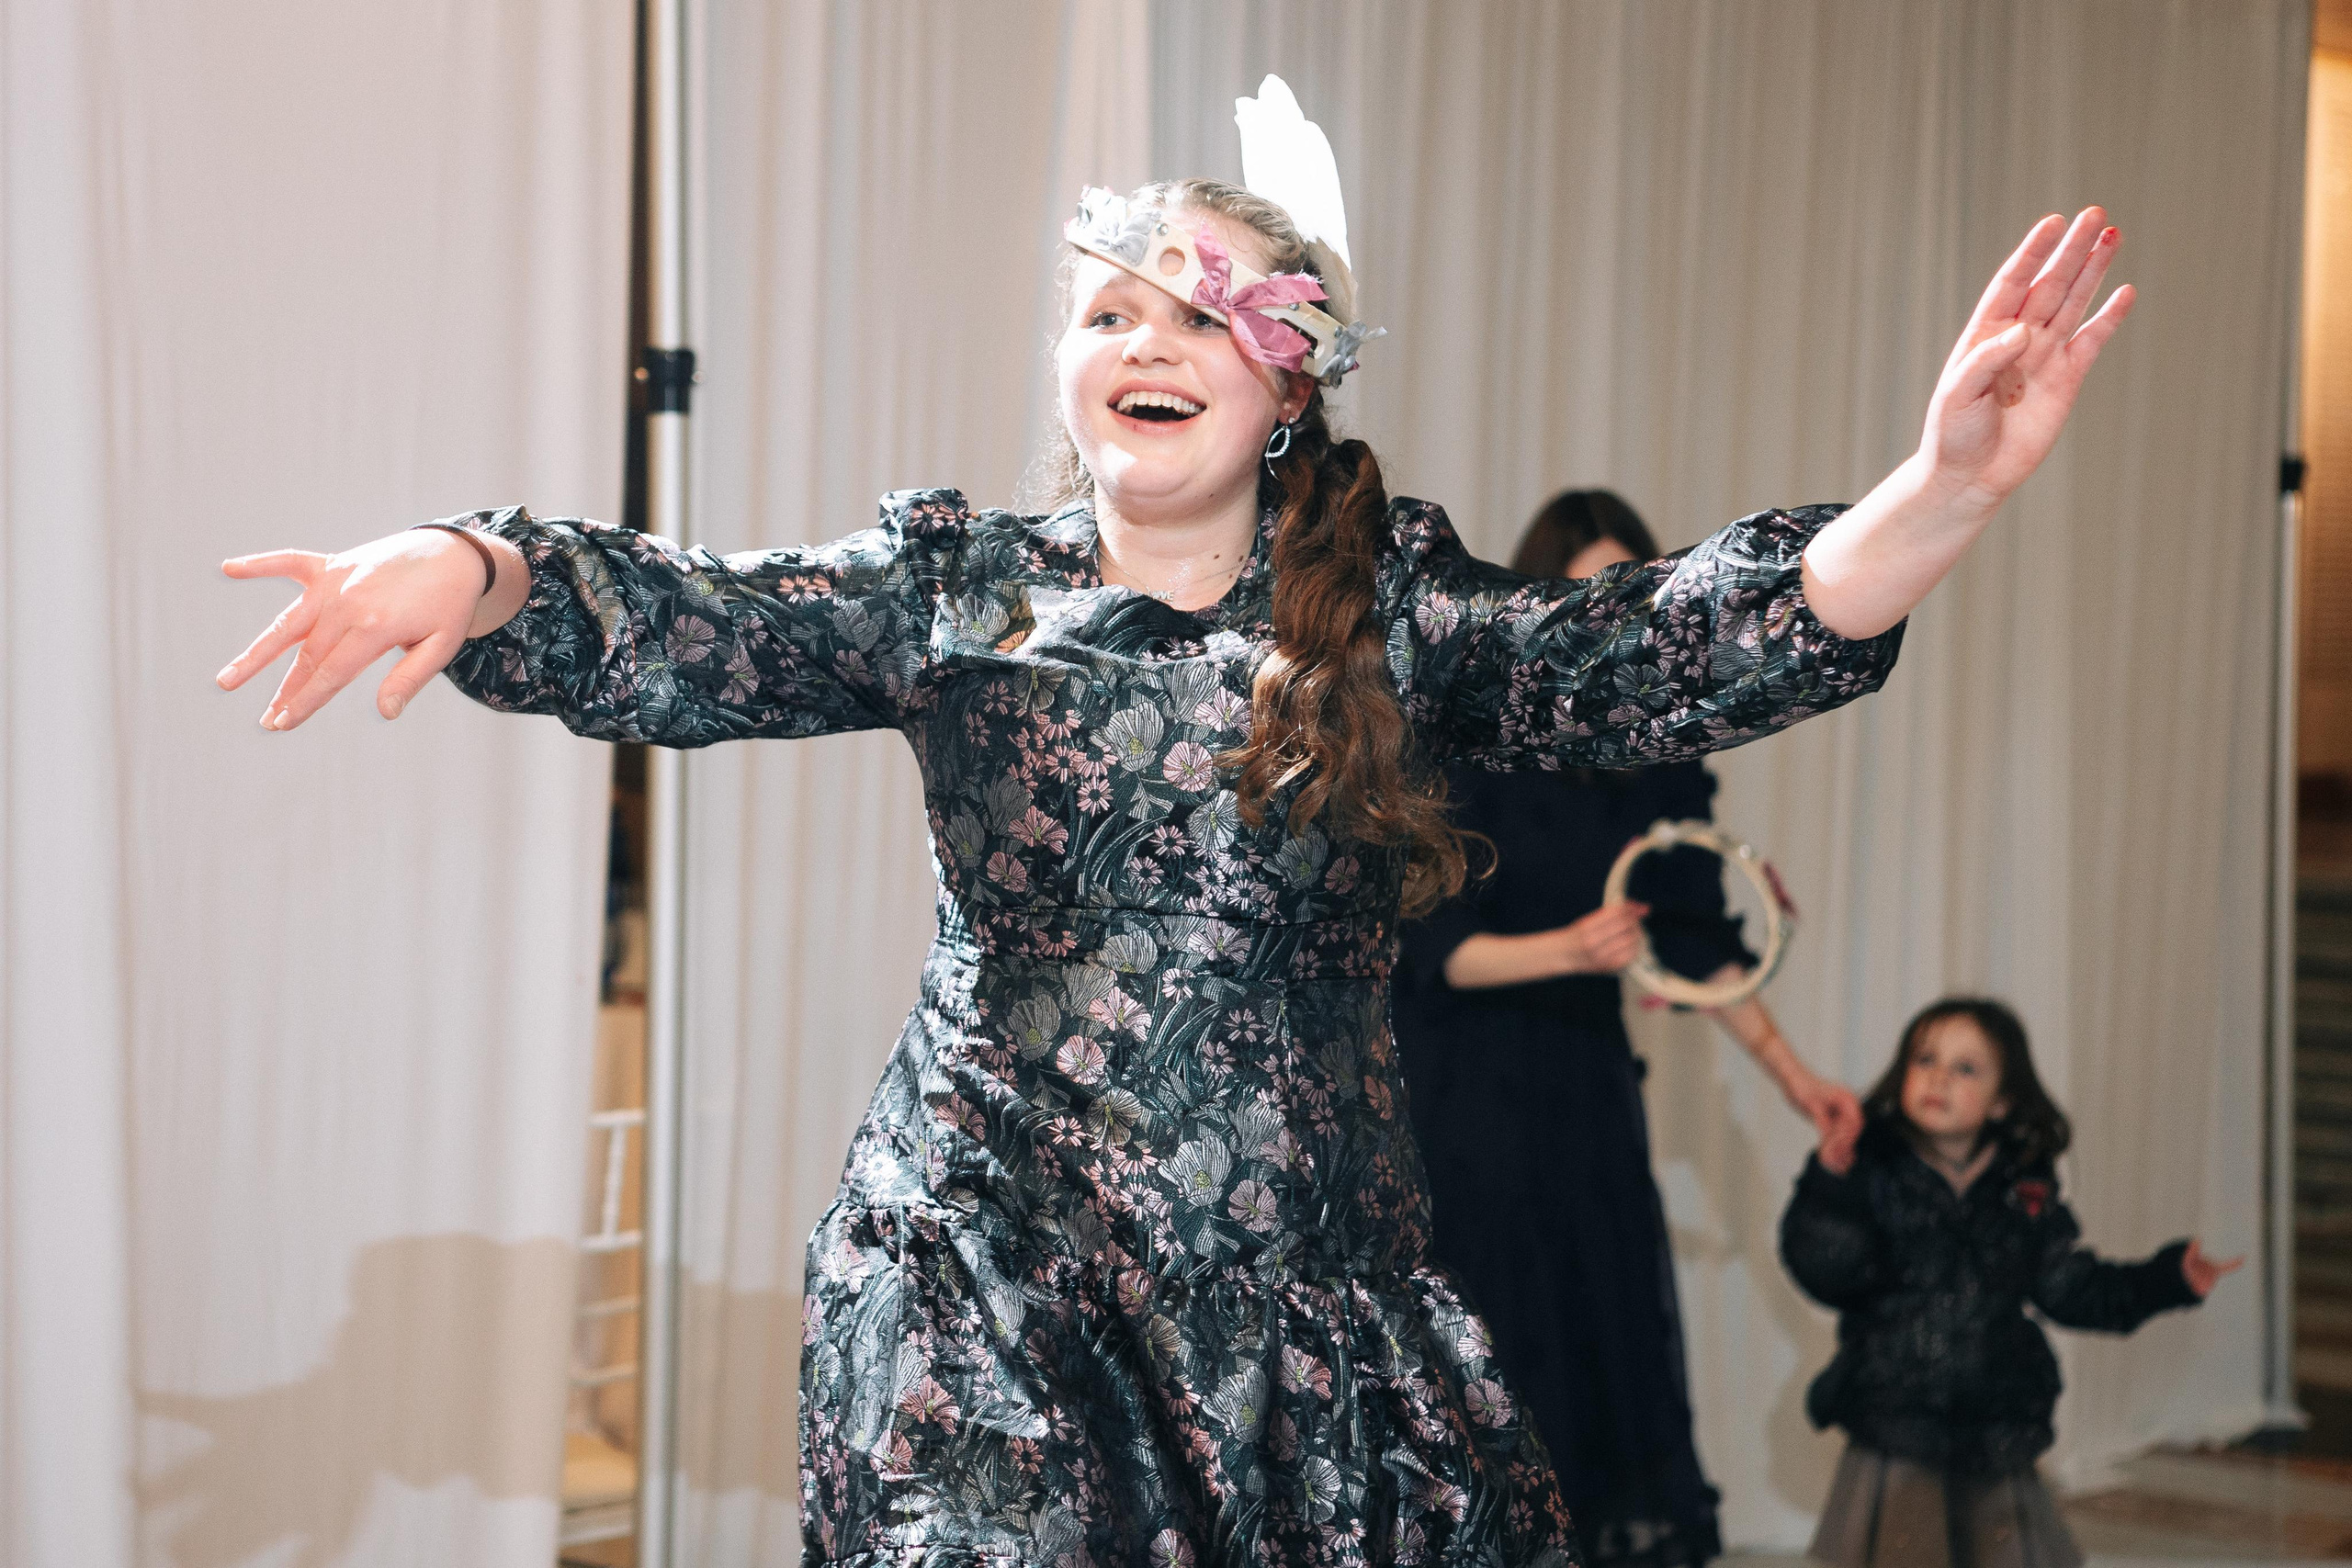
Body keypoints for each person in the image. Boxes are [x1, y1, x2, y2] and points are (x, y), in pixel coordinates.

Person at [215, 74, 2133, 1567]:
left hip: (1297, 1306)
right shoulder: (960, 587)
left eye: (1198, 318)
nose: (1143, 340)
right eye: (1110, 309)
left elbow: (1653, 655)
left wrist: (1938, 494)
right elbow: (713, 619)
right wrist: (479, 567)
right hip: (978, 1278)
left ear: (1284, 380)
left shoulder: (1390, 611)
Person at [1393, 488, 1861, 1568]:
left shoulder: (1654, 760)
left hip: (1585, 1088)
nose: (1604, 606)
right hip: (1463, 1095)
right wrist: (1578, 948)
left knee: (1602, 1345)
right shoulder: (1466, 733)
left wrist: (1799, 1082)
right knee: (1491, 1352)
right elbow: (1431, 950)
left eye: (1627, 588)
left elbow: (1695, 944)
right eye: (1584, 586)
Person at [1779, 998, 2240, 1568]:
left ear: (2003, 1101)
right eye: (1925, 1060)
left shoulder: (2024, 1188)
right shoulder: (1871, 1170)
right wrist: (1831, 1183)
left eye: (1965, 1068)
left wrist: (2165, 1280)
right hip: (1898, 1415)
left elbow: (2067, 1287)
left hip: (1994, 1419)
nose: (1938, 1078)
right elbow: (1826, 1271)